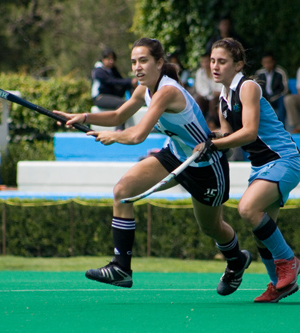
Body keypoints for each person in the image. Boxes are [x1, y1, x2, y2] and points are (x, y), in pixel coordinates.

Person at [54, 38, 251, 293]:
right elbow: (117, 116)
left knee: (211, 227)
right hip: (175, 155)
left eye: (143, 61)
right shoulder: (143, 90)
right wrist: (83, 117)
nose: (137, 67)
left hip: (205, 164)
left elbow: (137, 135)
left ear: (159, 63)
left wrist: (112, 136)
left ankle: (237, 259)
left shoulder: (168, 91)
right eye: (134, 62)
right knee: (122, 192)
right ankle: (121, 268)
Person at [199, 38, 300, 303]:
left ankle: (289, 262)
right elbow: (228, 137)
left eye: (222, 61)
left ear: (238, 64)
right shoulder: (222, 98)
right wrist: (205, 139)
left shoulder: (248, 87)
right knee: (263, 232)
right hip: (261, 166)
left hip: (283, 160)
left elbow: (249, 133)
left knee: (247, 209)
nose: (215, 66)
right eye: (212, 61)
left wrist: (215, 143)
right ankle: (278, 285)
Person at [255, 52, 290, 127]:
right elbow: (256, 89)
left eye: (269, 62)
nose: (267, 65)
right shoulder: (259, 73)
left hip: (277, 98)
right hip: (264, 98)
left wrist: (273, 97)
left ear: (273, 62)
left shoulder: (280, 72)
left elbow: (285, 90)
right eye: (265, 63)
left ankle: (281, 125)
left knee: (283, 99)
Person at [193, 52, 223, 130]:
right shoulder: (200, 72)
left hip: (217, 96)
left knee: (213, 101)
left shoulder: (217, 71)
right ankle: (199, 122)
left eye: (207, 61)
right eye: (203, 61)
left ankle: (213, 122)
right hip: (205, 96)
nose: (205, 64)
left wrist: (215, 92)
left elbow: (221, 87)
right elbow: (199, 88)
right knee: (198, 99)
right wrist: (208, 93)